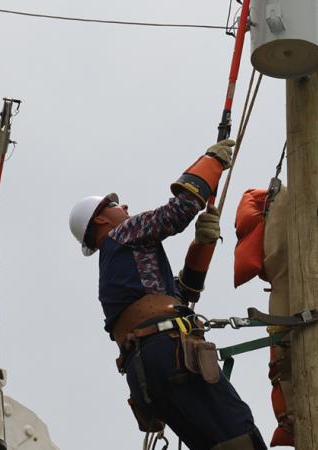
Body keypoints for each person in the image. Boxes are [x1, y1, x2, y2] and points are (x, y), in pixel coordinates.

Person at [68, 140, 267, 450]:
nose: (126, 208)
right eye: (116, 206)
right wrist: (211, 162)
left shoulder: (116, 271)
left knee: (213, 444)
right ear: (100, 219)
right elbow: (181, 210)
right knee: (239, 433)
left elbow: (182, 294)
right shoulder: (125, 233)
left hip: (146, 373)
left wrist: (201, 243)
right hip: (169, 352)